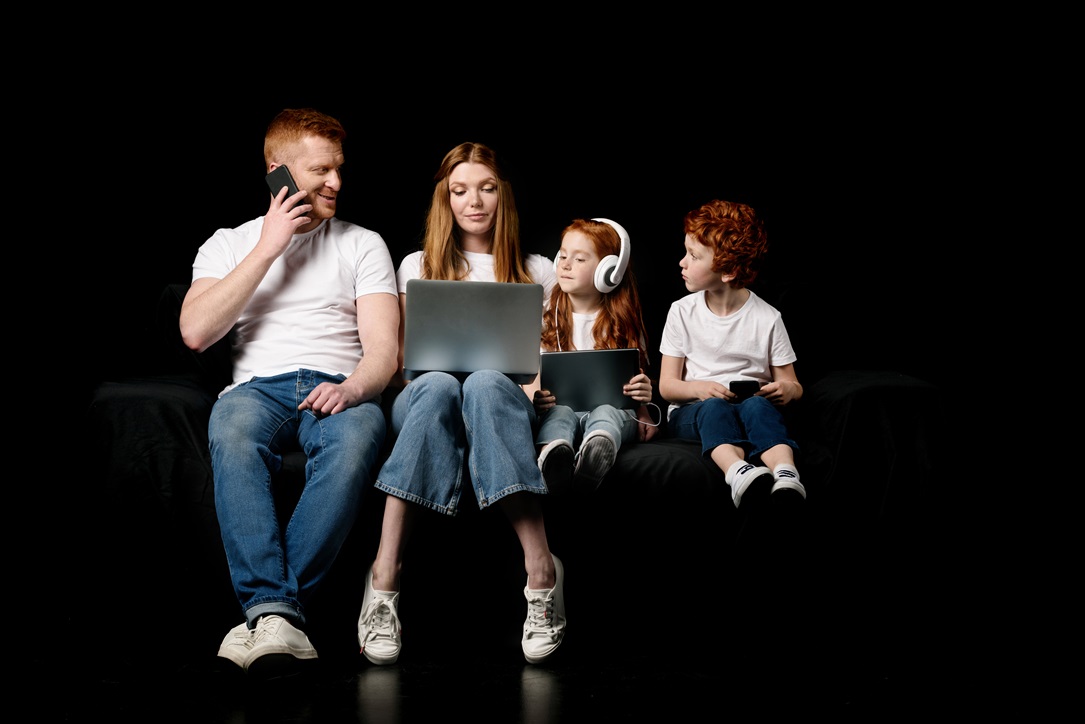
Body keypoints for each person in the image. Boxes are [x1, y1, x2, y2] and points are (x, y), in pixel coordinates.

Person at [179, 108, 400, 673]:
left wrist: (354, 389)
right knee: (230, 430)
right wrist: (270, 245)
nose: (337, 183)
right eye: (322, 170)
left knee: (357, 441)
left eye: (340, 170)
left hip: (339, 386)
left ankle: (268, 614)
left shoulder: (362, 243)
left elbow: (384, 352)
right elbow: (197, 332)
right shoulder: (229, 244)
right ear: (279, 172)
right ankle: (283, 617)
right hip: (255, 390)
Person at [356, 141, 566, 666]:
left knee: (487, 382)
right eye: (460, 190)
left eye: (487, 187)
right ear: (444, 199)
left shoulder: (538, 268)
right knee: (439, 386)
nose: (475, 200)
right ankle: (384, 577)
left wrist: (532, 384)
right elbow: (405, 363)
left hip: (504, 399)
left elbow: (550, 353)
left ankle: (542, 572)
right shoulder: (416, 265)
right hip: (426, 398)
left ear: (504, 195)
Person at [658, 199, 807, 509]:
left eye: (694, 256)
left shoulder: (767, 318)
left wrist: (785, 390)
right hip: (695, 411)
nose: (682, 262)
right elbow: (667, 386)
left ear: (727, 271)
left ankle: (785, 473)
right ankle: (737, 473)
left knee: (758, 408)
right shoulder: (682, 312)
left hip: (749, 407)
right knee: (714, 408)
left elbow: (794, 385)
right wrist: (699, 388)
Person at [527, 217, 659, 492]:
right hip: (562, 410)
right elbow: (534, 378)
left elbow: (636, 379)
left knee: (607, 412)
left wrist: (644, 403)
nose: (564, 264)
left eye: (579, 259)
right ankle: (554, 456)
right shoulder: (544, 319)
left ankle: (597, 452)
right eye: (562, 255)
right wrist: (536, 396)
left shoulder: (624, 322)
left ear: (609, 270)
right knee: (559, 414)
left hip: (614, 412)